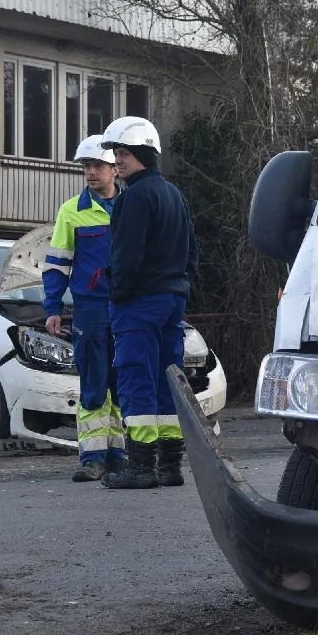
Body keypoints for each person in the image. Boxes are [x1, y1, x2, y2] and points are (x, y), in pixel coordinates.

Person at [98, 116, 198, 489]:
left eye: (122, 154)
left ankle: (141, 468)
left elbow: (126, 256)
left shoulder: (134, 198)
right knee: (166, 380)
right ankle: (170, 467)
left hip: (138, 302)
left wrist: (118, 294)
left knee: (135, 377)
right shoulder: (174, 194)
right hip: (171, 300)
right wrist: (181, 286)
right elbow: (192, 250)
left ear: (141, 154)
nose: (117, 162)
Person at [42, 135, 127, 482]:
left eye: (97, 166)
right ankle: (92, 457)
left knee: (124, 381)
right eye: (86, 167)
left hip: (126, 306)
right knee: (94, 382)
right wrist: (52, 307)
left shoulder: (132, 206)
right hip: (91, 308)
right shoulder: (71, 211)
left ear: (114, 170)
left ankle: (119, 455)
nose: (90, 172)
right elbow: (57, 264)